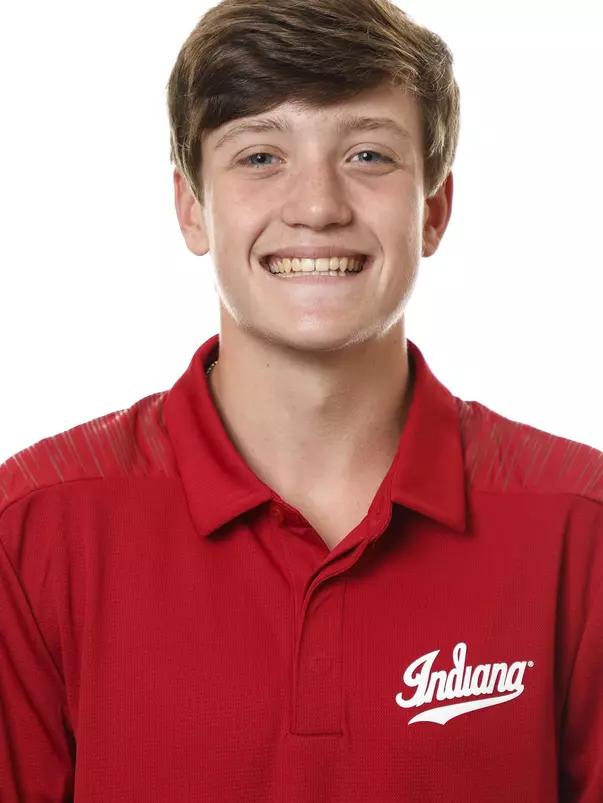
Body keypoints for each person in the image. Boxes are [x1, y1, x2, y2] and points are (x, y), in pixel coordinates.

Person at [0, 0, 601, 800]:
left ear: (433, 209)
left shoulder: (578, 525)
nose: (317, 206)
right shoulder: (33, 528)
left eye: (367, 155)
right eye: (260, 156)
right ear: (191, 207)